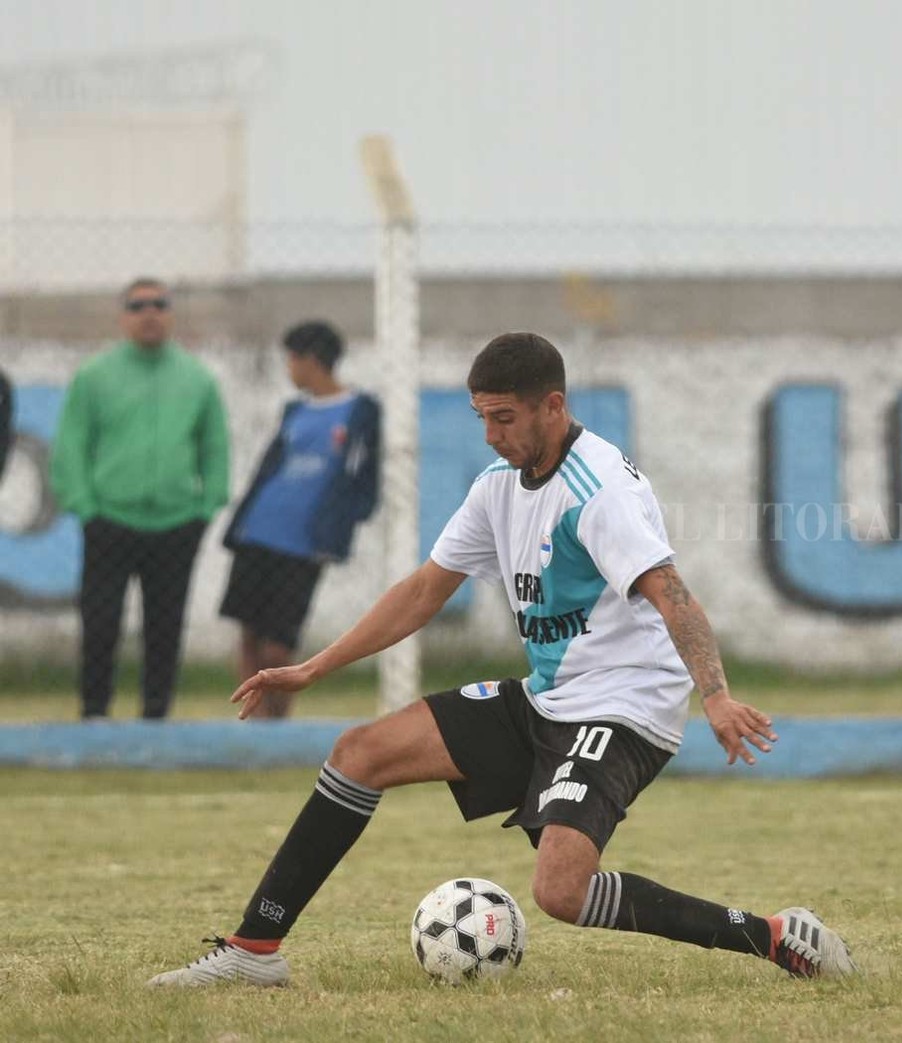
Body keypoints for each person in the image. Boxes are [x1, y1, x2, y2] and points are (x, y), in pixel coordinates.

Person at [149, 332, 858, 987]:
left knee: (560, 892)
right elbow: (425, 589)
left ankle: (770, 936)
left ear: (552, 405)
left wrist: (715, 696)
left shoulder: (600, 490)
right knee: (359, 750)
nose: (491, 434)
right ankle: (253, 951)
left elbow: (672, 593)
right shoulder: (496, 484)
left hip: (621, 707)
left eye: (504, 418)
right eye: (481, 417)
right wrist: (313, 668)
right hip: (546, 697)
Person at [49, 277, 230, 720]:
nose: (149, 313)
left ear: (170, 313)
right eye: (138, 305)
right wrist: (85, 508)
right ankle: (94, 713)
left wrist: (205, 509)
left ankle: (155, 715)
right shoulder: (94, 376)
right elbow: (71, 445)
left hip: (176, 523)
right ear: (123, 316)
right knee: (100, 621)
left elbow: (215, 447)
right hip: (109, 519)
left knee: (164, 625)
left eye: (159, 304)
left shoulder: (197, 379)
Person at [220, 322, 381, 719]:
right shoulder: (294, 410)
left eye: (291, 359)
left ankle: (278, 723)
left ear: (310, 360)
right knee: (249, 632)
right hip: (259, 531)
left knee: (280, 644)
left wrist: (345, 522)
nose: (288, 369)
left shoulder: (360, 410)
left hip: (306, 542)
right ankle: (252, 724)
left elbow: (365, 476)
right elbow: (270, 467)